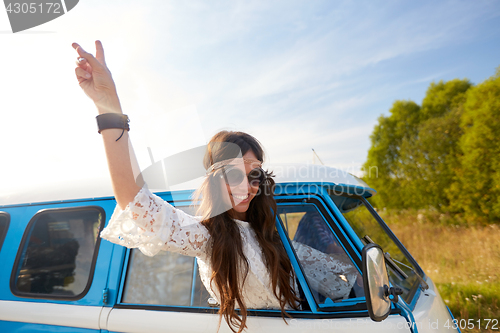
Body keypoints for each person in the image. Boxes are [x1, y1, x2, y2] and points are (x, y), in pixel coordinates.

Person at [72, 41, 357, 333]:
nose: (246, 187)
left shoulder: (275, 239)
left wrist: (355, 262)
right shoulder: (207, 238)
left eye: (254, 174)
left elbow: (344, 276)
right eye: (233, 175)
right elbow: (135, 202)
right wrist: (108, 105)